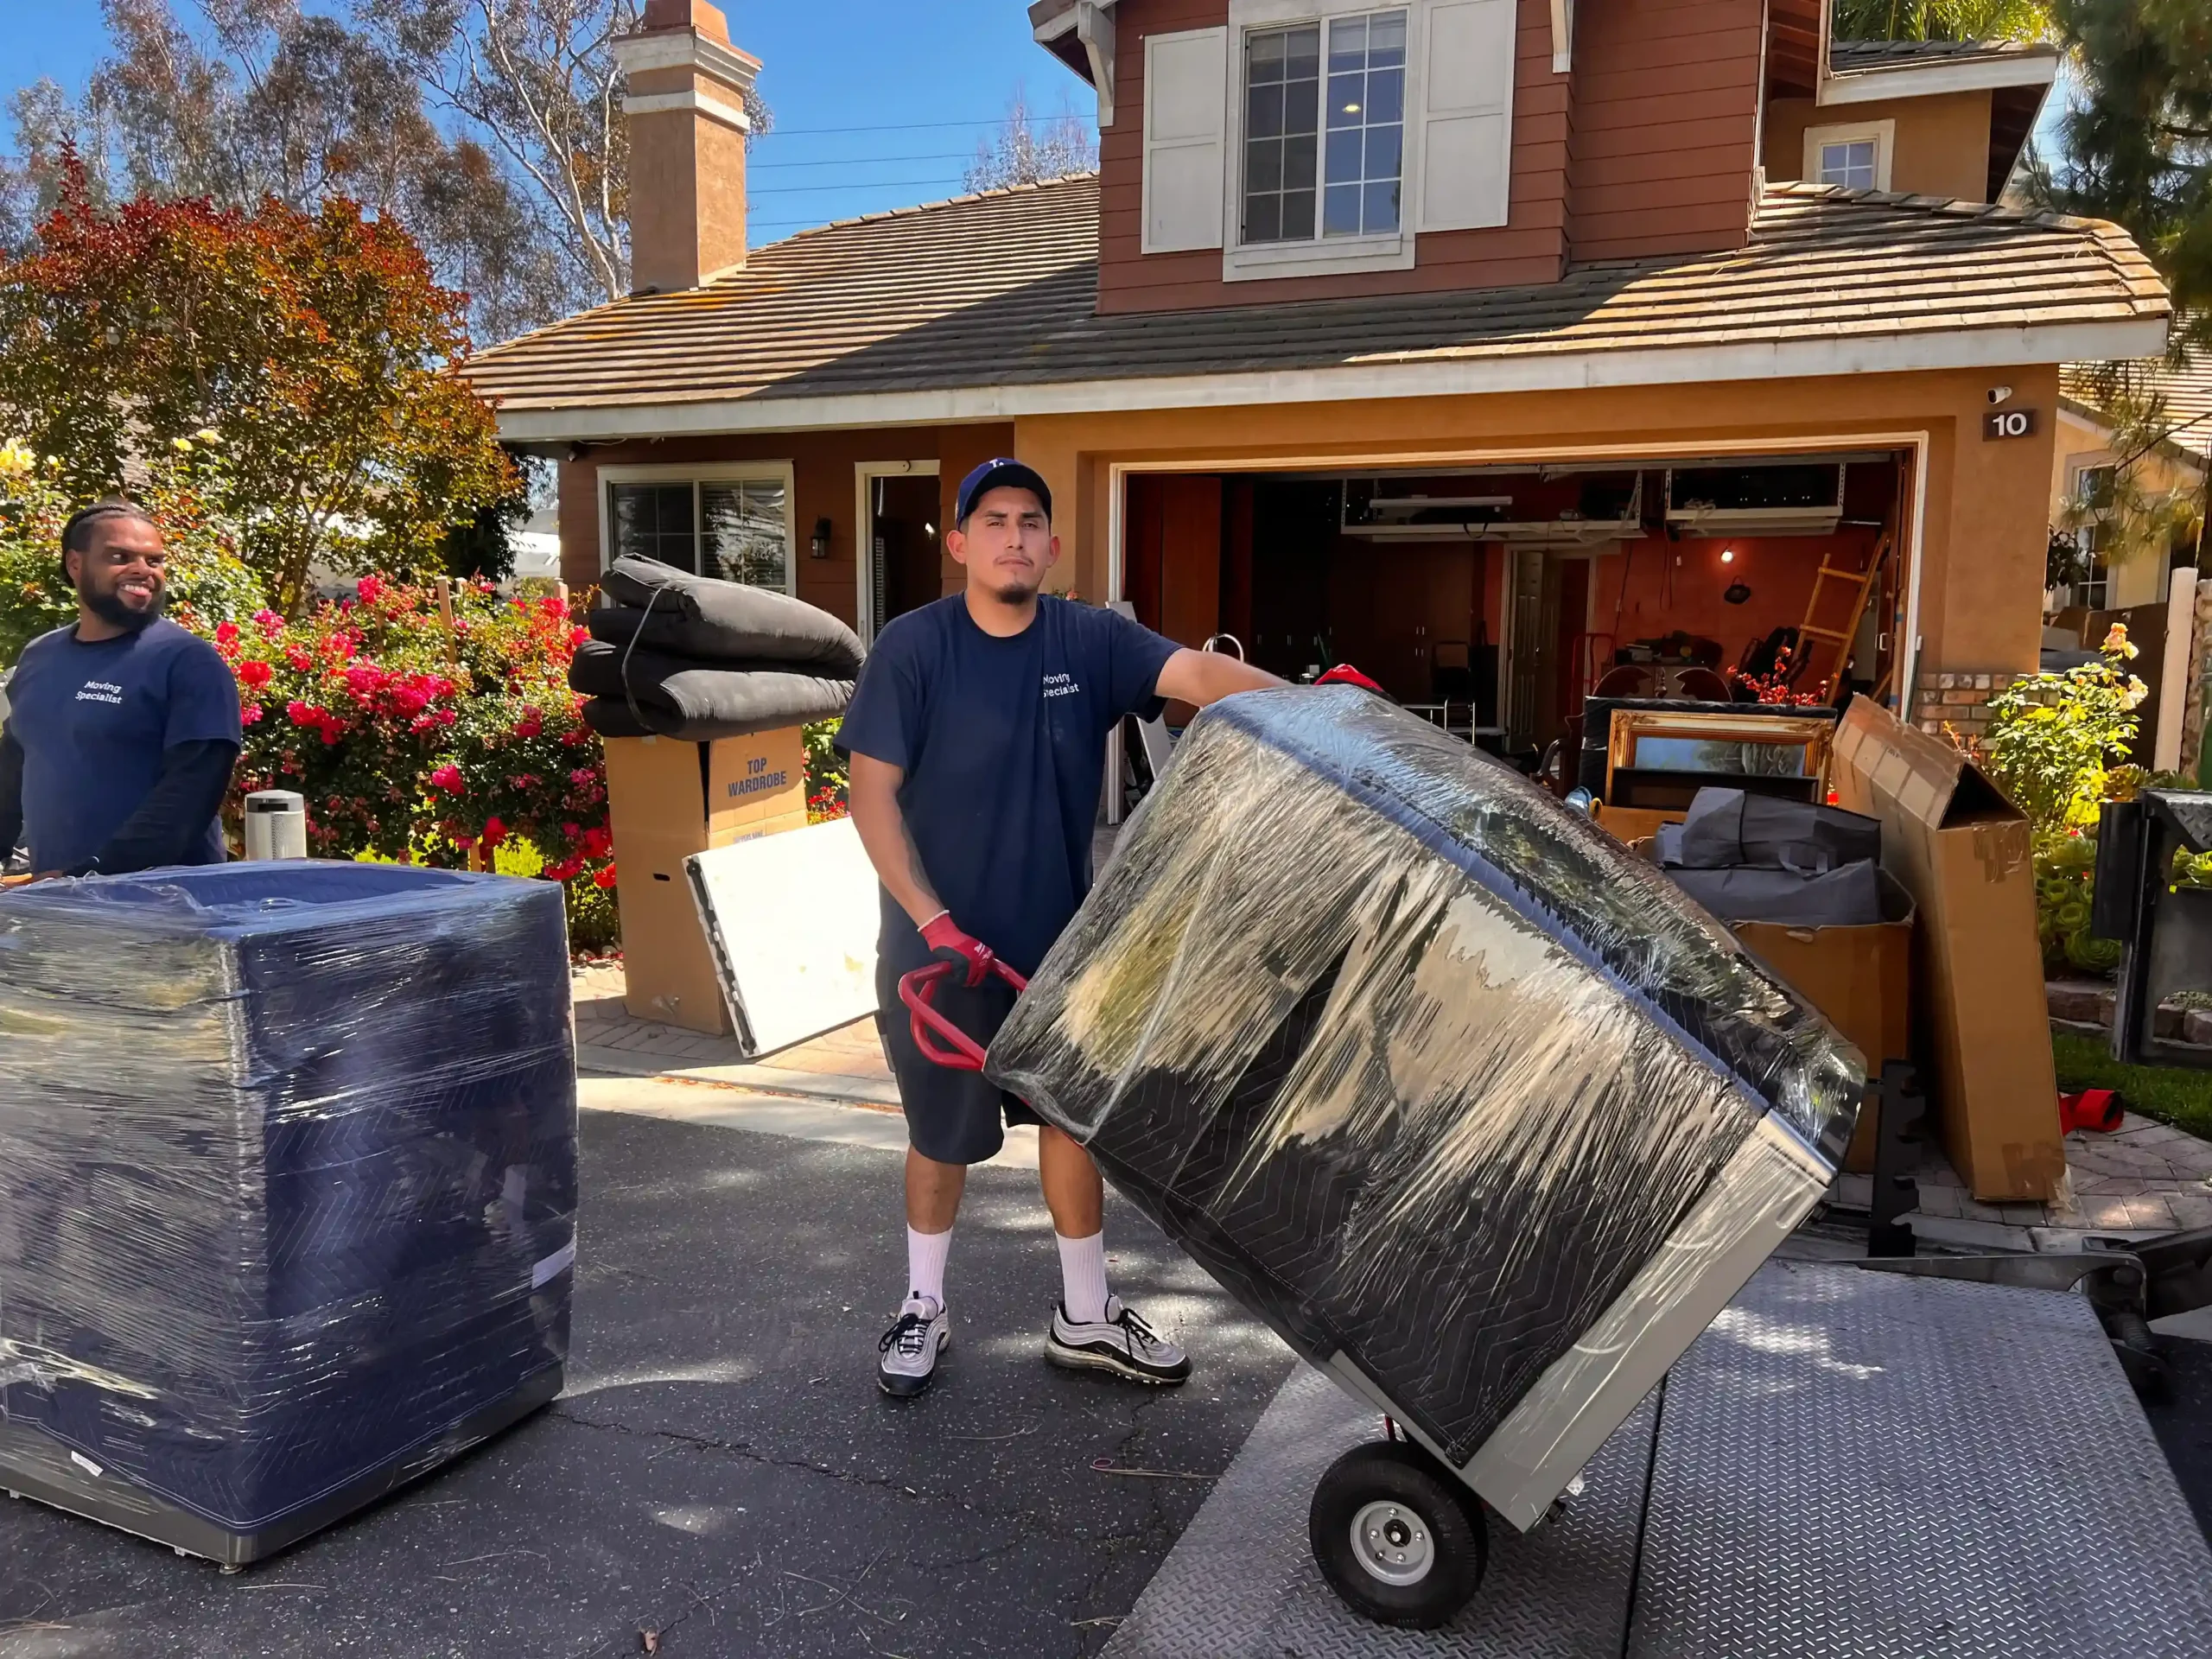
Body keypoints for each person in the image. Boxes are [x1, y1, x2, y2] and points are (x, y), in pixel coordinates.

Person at [839, 458, 1283, 1398]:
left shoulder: (1087, 640)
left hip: (1058, 953)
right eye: (992, 520)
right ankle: (923, 1307)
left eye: (1029, 521)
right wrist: (932, 919)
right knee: (940, 1135)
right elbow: (870, 797)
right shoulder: (913, 650)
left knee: (1069, 1125)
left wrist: (1314, 706)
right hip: (939, 952)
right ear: (960, 544)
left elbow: (1197, 673)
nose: (1013, 536)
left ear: (1052, 543)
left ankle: (1084, 1317)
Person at [0, 499, 242, 881]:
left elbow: (191, 794)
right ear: (75, 564)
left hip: (166, 909)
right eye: (120, 556)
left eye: (154, 561)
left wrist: (88, 876)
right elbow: (12, 769)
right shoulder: (39, 657)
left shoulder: (187, 662)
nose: (142, 571)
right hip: (61, 906)